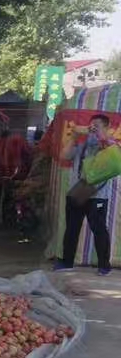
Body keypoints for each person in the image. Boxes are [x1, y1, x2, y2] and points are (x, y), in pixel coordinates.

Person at [57, 113, 114, 275]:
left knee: (99, 229)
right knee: (72, 228)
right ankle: (67, 262)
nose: (93, 127)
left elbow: (113, 155)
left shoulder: (110, 145)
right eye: (91, 124)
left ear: (107, 128)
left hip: (98, 194)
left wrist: (99, 135)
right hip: (77, 191)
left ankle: (104, 265)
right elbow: (65, 155)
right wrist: (74, 136)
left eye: (98, 125)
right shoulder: (83, 145)